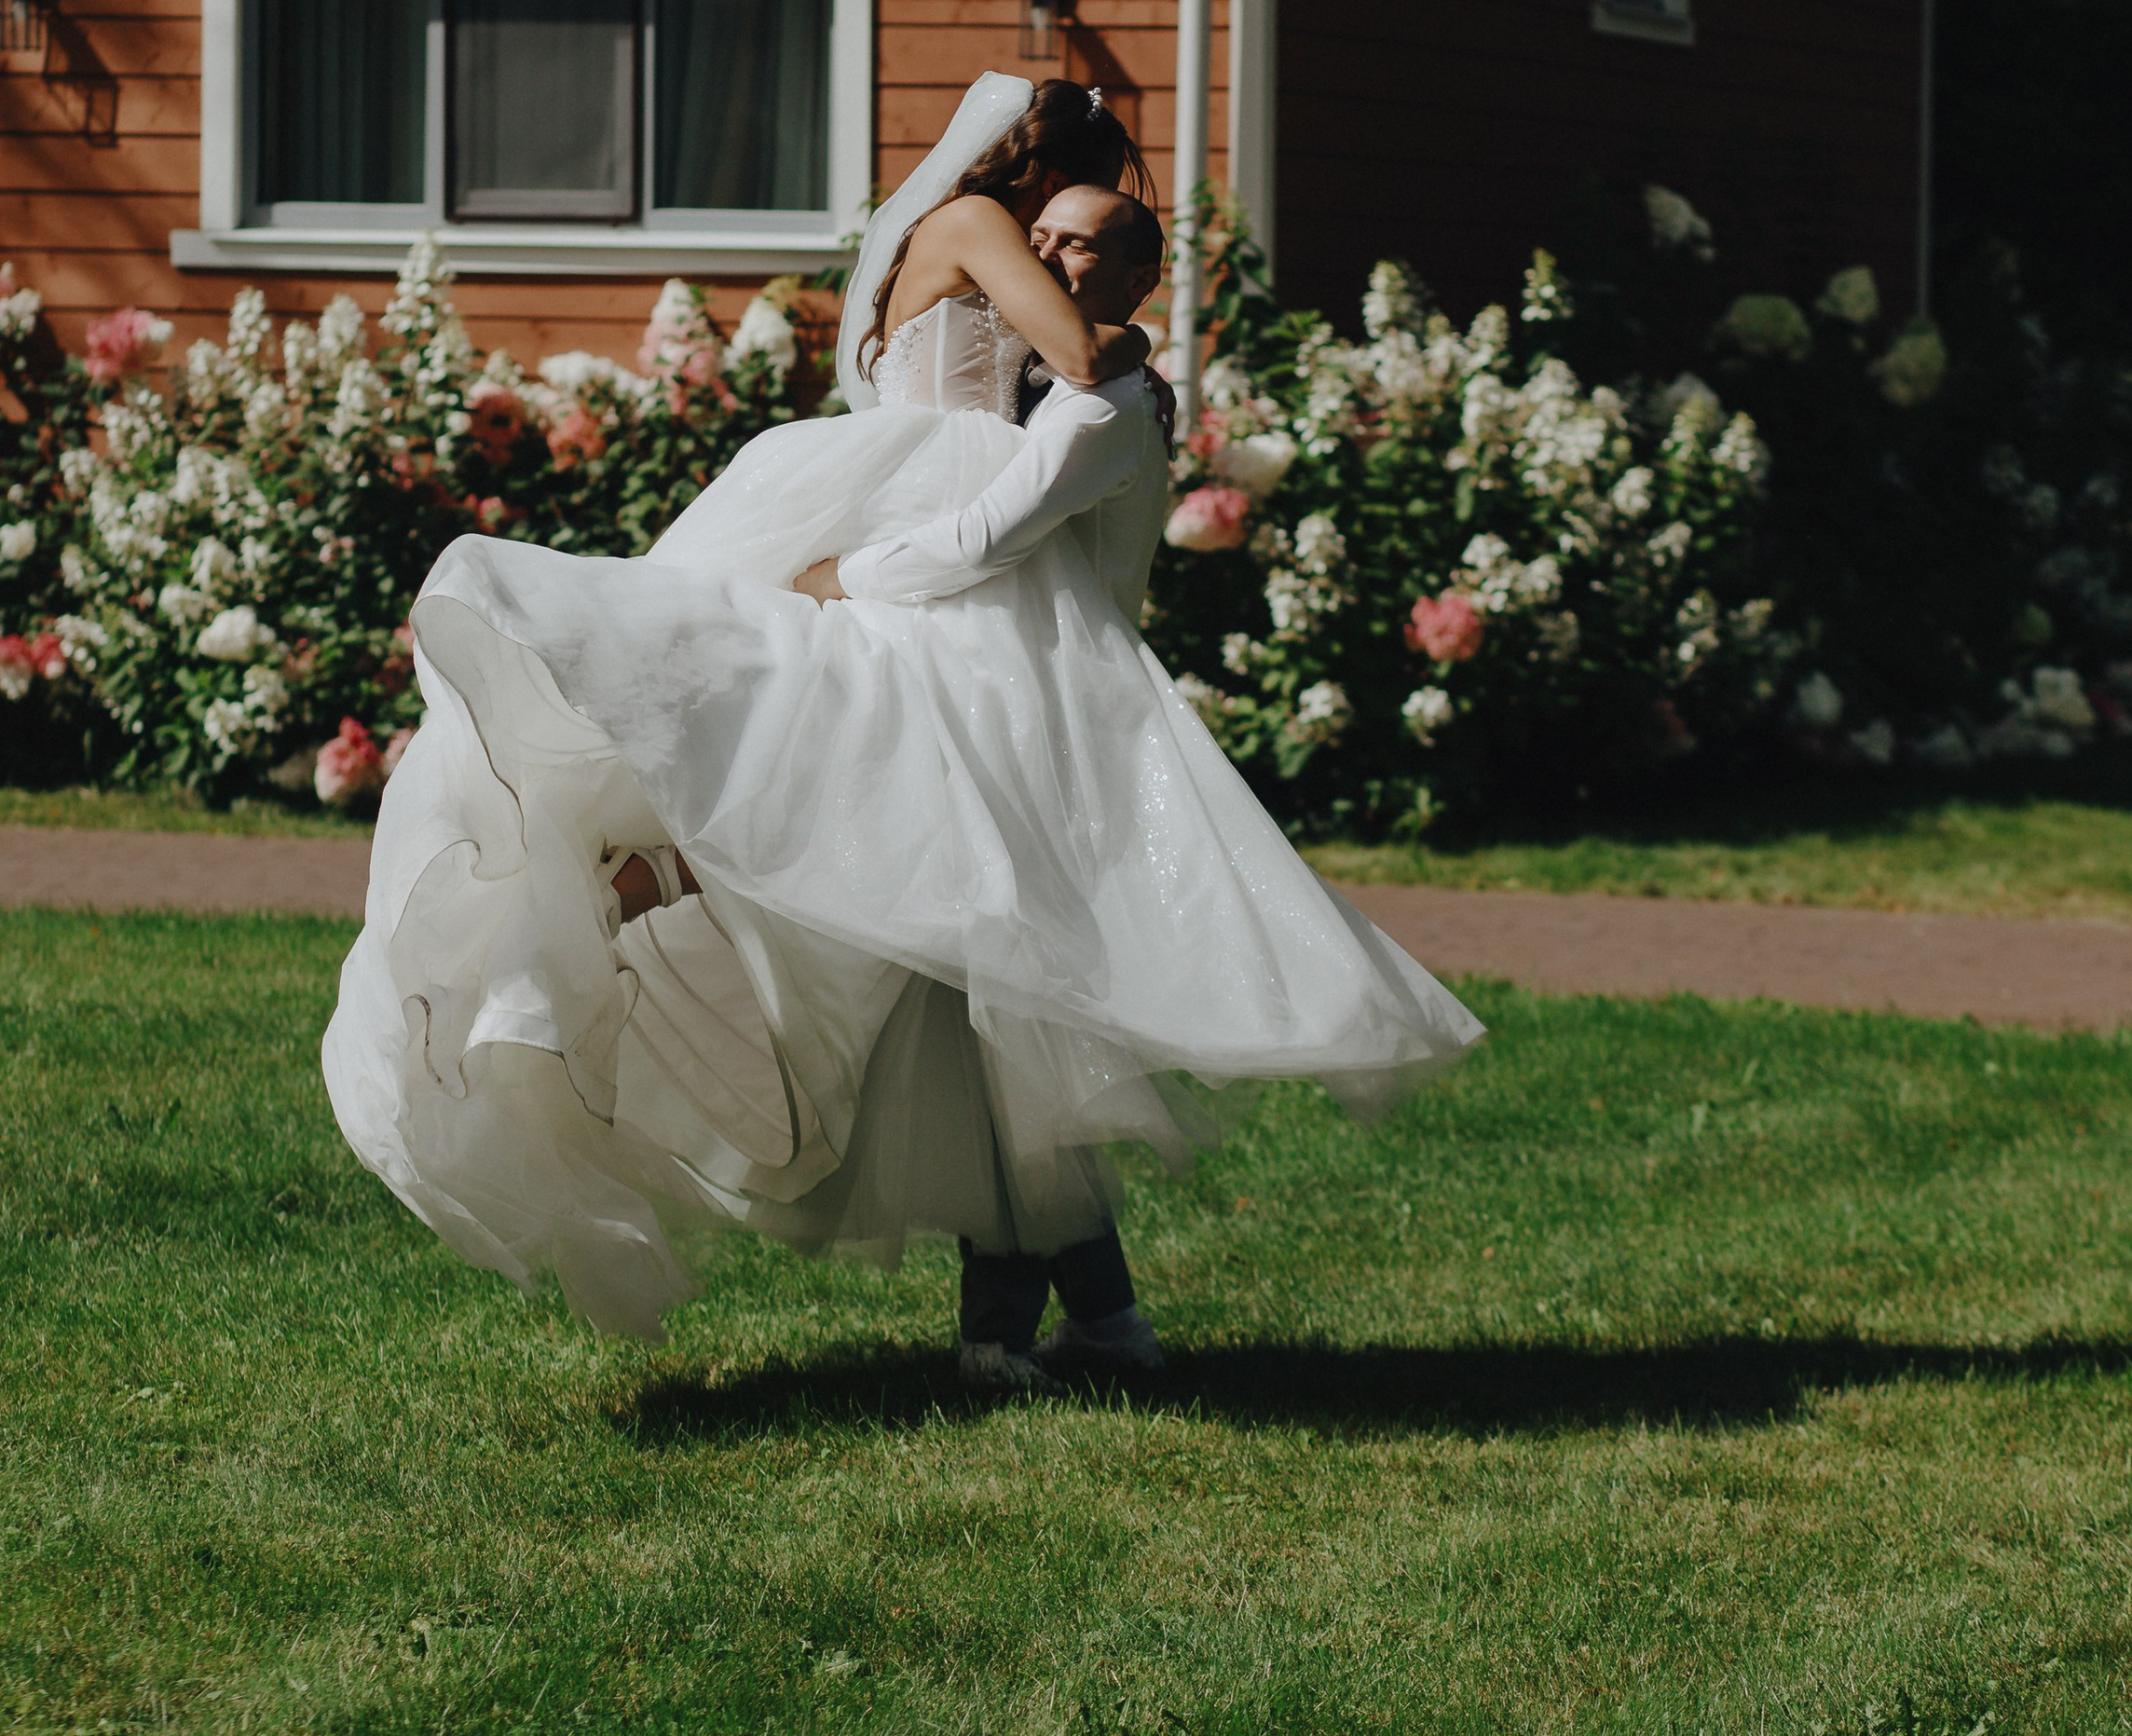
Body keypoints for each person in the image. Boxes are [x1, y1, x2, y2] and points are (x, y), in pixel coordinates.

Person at [322, 72, 1483, 1360]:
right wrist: (1134, 365)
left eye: (1082, 231)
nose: (1050, 242)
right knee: (904, 827)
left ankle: (1073, 1311)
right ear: (1039, 169)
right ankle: (656, 877)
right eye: (1067, 208)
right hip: (935, 542)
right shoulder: (982, 226)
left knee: (934, 895)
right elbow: (1087, 358)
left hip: (942, 536)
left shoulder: (975, 256)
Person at [791, 179, 1179, 1390]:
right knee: (986, 1025)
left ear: (1131, 286)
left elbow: (987, 540)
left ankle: (995, 1341)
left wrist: (837, 578)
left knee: (1005, 1025)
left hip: (1050, 741)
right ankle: (1105, 1321)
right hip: (1020, 717)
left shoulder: (1103, 408)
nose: (1051, 255)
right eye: (1044, 235)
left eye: (1086, 245)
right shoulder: (1060, 395)